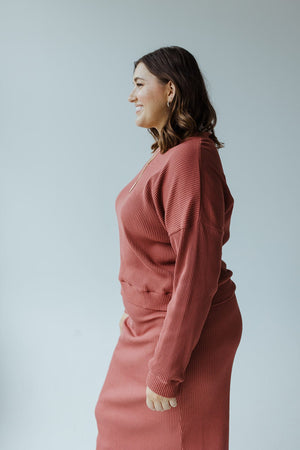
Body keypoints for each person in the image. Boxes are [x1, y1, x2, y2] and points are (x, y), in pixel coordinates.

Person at [94, 46, 243, 450]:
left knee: (181, 439)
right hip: (149, 325)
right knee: (113, 424)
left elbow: (197, 273)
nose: (131, 96)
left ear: (171, 89)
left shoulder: (190, 161)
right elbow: (156, 248)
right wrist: (136, 307)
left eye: (140, 84)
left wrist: (166, 371)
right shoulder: (167, 154)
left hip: (183, 331)